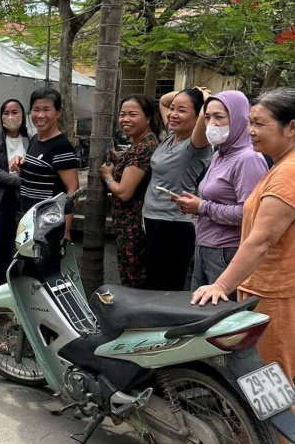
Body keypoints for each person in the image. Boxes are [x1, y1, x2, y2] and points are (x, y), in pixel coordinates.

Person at [192, 88, 295, 444]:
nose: (250, 130)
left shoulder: (287, 174)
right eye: (249, 122)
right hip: (265, 285)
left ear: (291, 128)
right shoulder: (279, 164)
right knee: (267, 375)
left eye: (260, 123)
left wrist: (220, 284)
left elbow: (261, 240)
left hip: (275, 290)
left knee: (271, 376)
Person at [172, 91, 268, 297]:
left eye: (219, 117)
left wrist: (203, 207)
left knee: (221, 318)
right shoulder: (220, 154)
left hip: (227, 252)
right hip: (205, 246)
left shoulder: (248, 159)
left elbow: (249, 213)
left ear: (239, 118)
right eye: (207, 117)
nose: (211, 124)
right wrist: (194, 205)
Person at [142, 88, 213, 290]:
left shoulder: (197, 144)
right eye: (173, 110)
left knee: (165, 288)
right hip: (153, 221)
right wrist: (192, 89)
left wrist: (206, 97)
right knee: (152, 284)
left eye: (182, 110)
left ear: (199, 116)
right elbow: (164, 100)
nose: (173, 114)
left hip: (172, 226)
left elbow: (206, 115)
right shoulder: (172, 135)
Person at [101, 94, 159, 288]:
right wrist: (118, 161)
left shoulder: (143, 148)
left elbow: (124, 192)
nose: (125, 119)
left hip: (133, 227)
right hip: (131, 225)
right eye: (122, 114)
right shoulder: (143, 143)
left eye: (132, 114)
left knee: (133, 282)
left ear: (148, 117)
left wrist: (108, 176)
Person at [10, 88, 79, 240]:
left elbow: (72, 189)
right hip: (29, 222)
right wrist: (21, 163)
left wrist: (66, 229)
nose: (40, 115)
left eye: (46, 110)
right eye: (36, 110)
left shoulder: (61, 147)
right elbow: (41, 170)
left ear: (58, 112)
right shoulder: (35, 139)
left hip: (49, 228)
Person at [0, 99, 30, 290]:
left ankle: (12, 296)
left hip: (21, 202)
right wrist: (23, 182)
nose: (10, 117)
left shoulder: (30, 139)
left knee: (15, 252)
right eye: (6, 113)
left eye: (15, 112)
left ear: (23, 115)